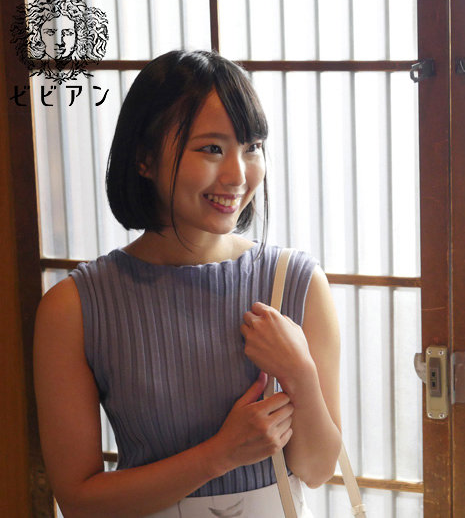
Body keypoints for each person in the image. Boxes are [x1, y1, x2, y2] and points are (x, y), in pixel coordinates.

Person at [33, 50, 342, 517]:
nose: (238, 175)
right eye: (211, 148)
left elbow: (317, 470)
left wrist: (300, 373)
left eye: (251, 146)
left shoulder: (296, 282)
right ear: (145, 159)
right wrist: (221, 454)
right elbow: (79, 501)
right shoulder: (74, 306)